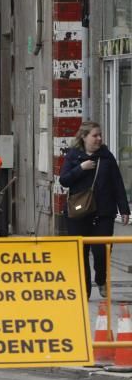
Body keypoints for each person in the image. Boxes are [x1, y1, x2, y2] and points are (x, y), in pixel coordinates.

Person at [59, 121, 130, 299]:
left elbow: (117, 183)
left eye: (100, 135)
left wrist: (124, 209)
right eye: (95, 135)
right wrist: (81, 169)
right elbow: (64, 180)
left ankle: (101, 279)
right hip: (78, 212)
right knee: (80, 252)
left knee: (102, 251)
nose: (99, 139)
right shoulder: (73, 156)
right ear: (84, 137)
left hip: (104, 212)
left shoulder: (107, 157)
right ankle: (84, 290)